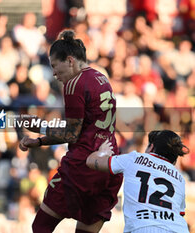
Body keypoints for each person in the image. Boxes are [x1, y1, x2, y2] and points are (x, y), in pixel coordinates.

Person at [19, 30, 123, 233]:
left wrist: (39, 133)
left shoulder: (74, 84)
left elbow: (71, 134)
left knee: (40, 226)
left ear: (69, 61)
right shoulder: (101, 77)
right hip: (108, 166)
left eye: (55, 67)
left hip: (81, 167)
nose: (55, 74)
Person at [86, 130, 190, 233]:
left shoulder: (134, 159)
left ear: (152, 147)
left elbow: (91, 162)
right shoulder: (180, 179)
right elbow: (179, 213)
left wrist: (102, 152)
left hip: (142, 228)